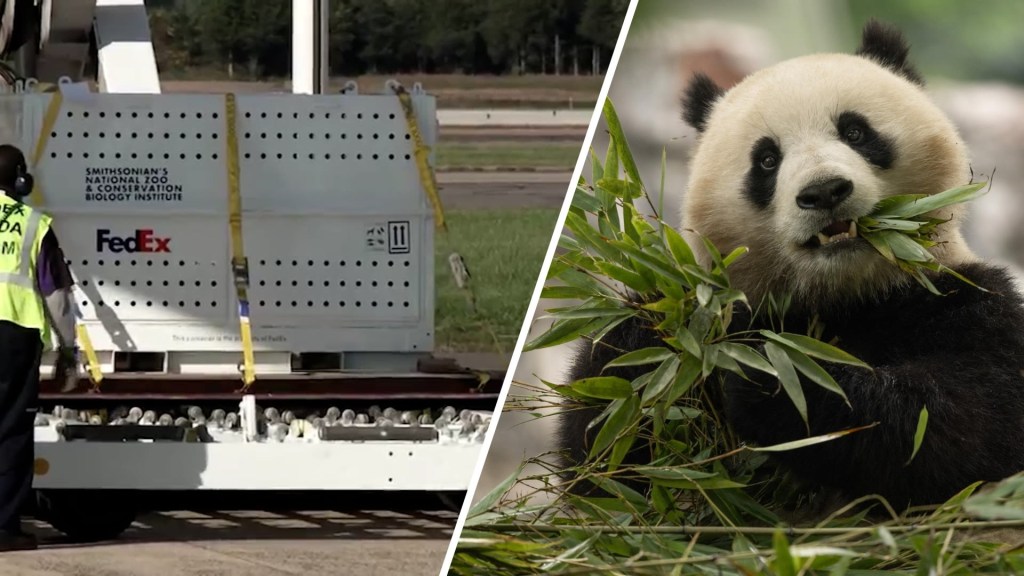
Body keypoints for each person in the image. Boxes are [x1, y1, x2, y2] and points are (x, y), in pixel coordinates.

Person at [0, 143, 78, 552]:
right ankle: (3, 529)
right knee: (10, 432)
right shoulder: (33, 223)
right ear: (21, 180)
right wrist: (69, 349)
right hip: (13, 337)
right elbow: (58, 298)